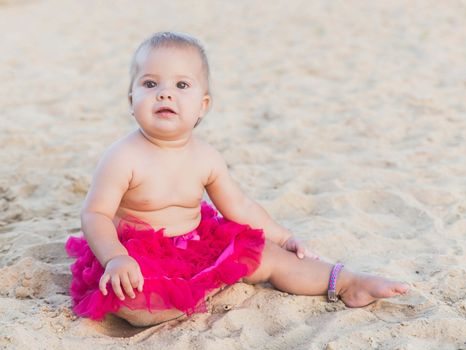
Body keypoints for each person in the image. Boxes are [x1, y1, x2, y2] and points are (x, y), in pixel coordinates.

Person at [65, 31, 409, 327]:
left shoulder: (205, 157)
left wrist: (285, 237)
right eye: (150, 83)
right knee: (134, 303)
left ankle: (348, 282)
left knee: (269, 256)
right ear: (131, 100)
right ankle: (203, 283)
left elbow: (240, 207)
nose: (165, 93)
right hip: (137, 253)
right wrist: (115, 257)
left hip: (196, 243)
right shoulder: (123, 156)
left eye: (181, 84)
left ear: (202, 105)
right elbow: (94, 214)